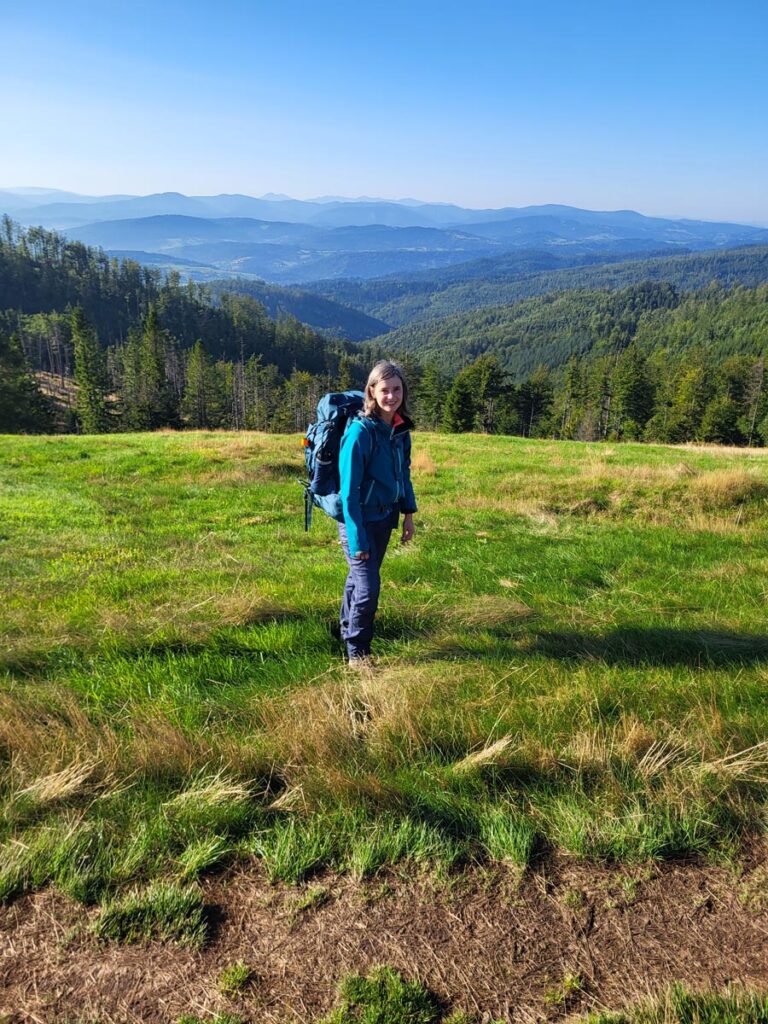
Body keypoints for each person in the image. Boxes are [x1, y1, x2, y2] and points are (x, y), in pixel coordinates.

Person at [337, 360, 417, 666]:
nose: (391, 396)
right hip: (358, 522)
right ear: (372, 391)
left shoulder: (399, 430)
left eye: (397, 390)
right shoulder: (360, 433)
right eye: (385, 390)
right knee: (369, 589)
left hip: (385, 519)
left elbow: (404, 474)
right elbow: (349, 493)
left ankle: (346, 631)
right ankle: (358, 653)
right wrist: (357, 540)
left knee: (358, 581)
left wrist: (408, 515)